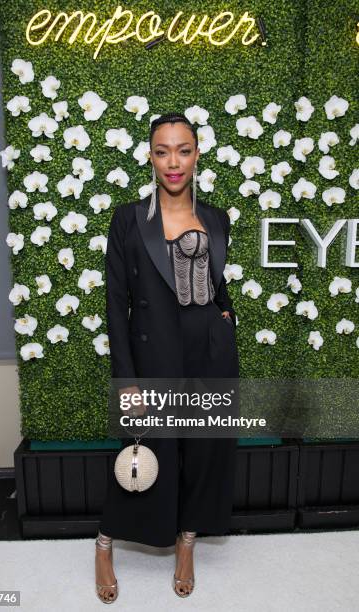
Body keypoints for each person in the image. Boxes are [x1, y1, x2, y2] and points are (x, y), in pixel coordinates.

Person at [95, 113, 239, 603]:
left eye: (183, 150)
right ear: (150, 156)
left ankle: (187, 544)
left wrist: (225, 322)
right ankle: (105, 543)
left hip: (211, 356)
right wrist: (127, 381)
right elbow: (116, 303)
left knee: (203, 455)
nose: (173, 162)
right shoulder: (128, 218)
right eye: (162, 151)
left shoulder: (217, 217)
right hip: (154, 355)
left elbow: (219, 288)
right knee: (144, 456)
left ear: (197, 154)